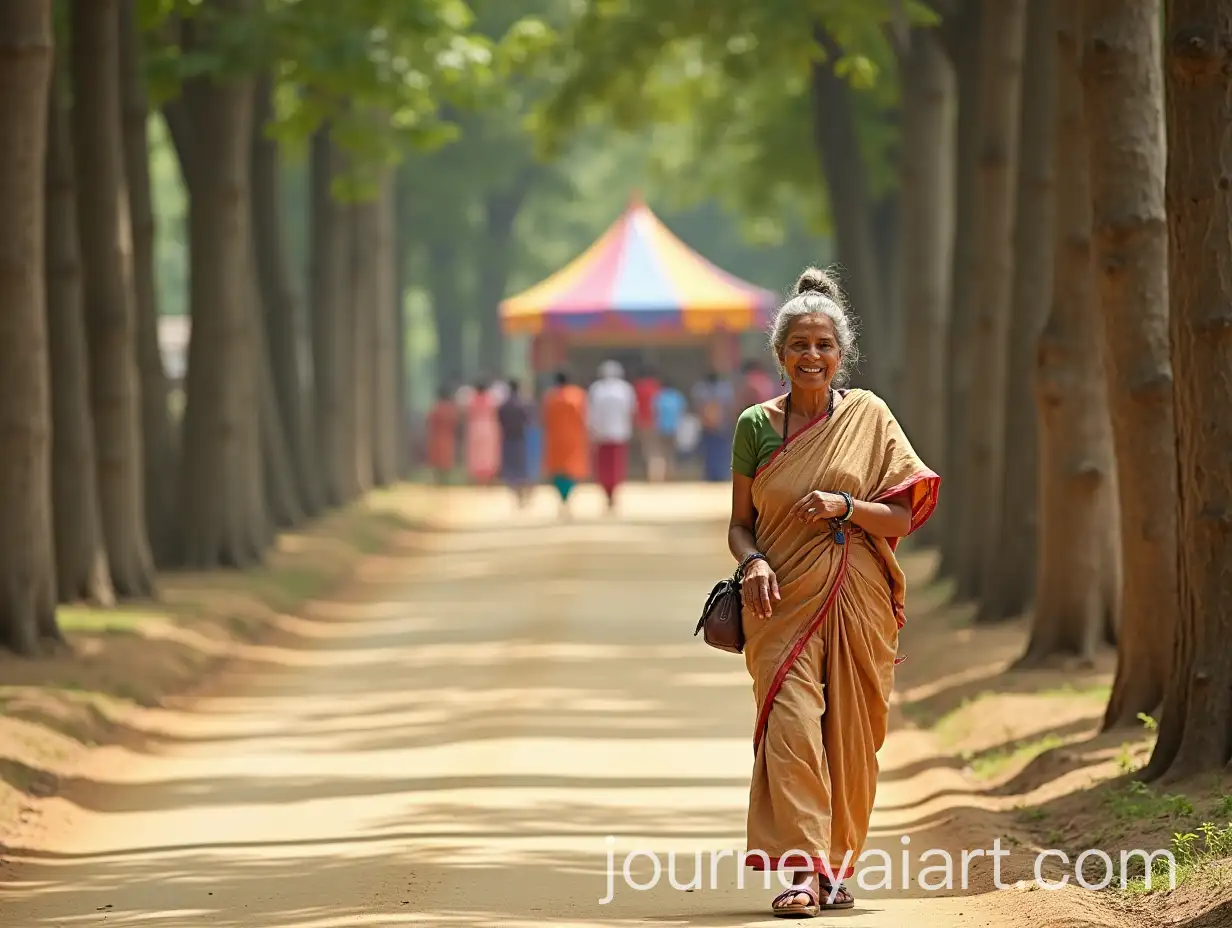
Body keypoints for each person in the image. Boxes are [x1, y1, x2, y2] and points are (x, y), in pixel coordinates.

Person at [727, 267, 940, 917]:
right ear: (780, 354)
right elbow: (739, 524)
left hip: (859, 595)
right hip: (777, 602)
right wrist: (753, 562)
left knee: (850, 738)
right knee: (790, 729)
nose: (811, 356)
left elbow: (901, 517)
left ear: (841, 354)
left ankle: (834, 869)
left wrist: (845, 505)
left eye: (823, 345)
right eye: (799, 345)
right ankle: (803, 869)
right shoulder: (756, 426)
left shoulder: (869, 416)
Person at [587, 360, 637, 510]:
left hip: (603, 434)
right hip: (617, 433)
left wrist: (592, 430)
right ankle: (611, 493)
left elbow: (591, 413)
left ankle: (609, 493)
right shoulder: (625, 389)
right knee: (615, 466)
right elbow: (631, 410)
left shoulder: (597, 389)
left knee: (606, 466)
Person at [540, 370, 589, 516]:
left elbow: (545, 418)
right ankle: (567, 496)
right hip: (573, 436)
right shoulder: (578, 396)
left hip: (555, 437)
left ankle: (562, 497)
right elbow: (583, 416)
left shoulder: (551, 397)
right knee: (572, 468)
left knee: (558, 469)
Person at [498, 378, 535, 507]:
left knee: (511, 469)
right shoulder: (523, 404)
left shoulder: (504, 405)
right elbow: (528, 420)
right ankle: (524, 493)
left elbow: (500, 420)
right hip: (520, 438)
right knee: (521, 468)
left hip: (508, 439)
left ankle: (518, 495)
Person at [693, 370, 735, 481]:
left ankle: (718, 475)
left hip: (718, 425)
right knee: (712, 452)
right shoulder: (721, 389)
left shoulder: (704, 389)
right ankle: (713, 475)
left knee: (718, 452)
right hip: (713, 426)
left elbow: (728, 408)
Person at [650, 378, 687, 481]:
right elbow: (681, 411)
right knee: (671, 453)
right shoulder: (677, 396)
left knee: (660, 453)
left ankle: (658, 476)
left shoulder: (659, 396)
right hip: (674, 428)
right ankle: (671, 474)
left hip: (661, 427)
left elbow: (654, 411)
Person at [465, 380, 501, 485]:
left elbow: (469, 415)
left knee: (477, 454)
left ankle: (479, 479)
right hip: (488, 428)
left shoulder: (472, 400)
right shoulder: (491, 400)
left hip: (475, 429)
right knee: (487, 453)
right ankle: (487, 477)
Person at [424, 386, 459, 483]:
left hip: (437, 436)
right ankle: (446, 477)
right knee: (446, 457)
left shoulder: (436, 407)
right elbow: (455, 422)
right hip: (448, 436)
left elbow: (429, 420)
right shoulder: (451, 409)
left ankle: (438, 478)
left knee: (437, 457)